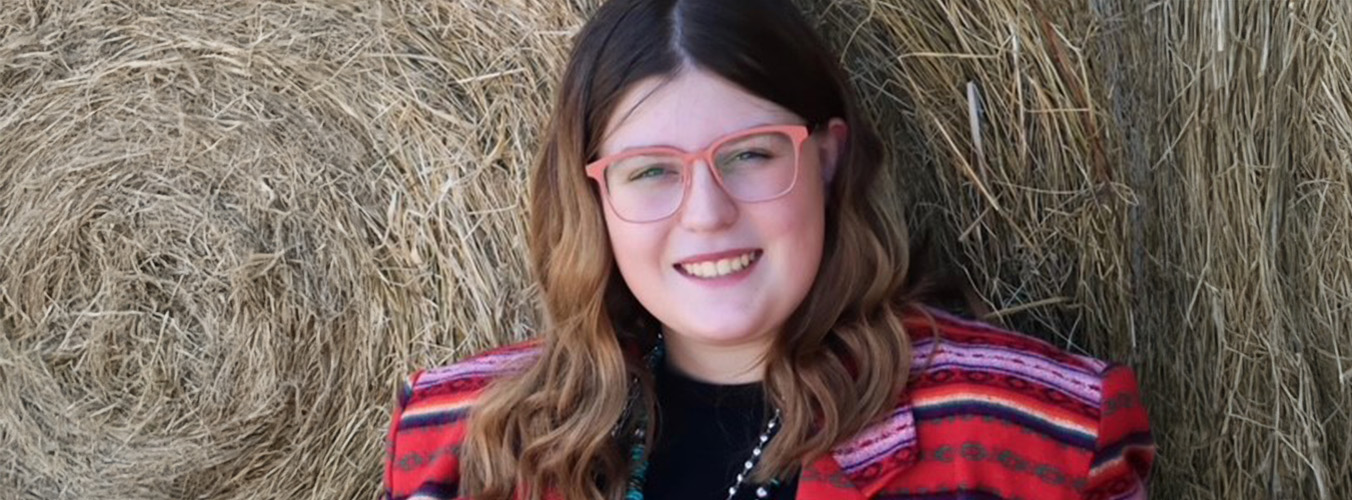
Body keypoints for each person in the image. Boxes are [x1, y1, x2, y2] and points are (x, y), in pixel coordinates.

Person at [382, 0, 1155, 499]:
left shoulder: (1038, 439)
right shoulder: (453, 447)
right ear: (594, 198)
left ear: (825, 158)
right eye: (650, 171)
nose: (708, 214)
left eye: (751, 154)